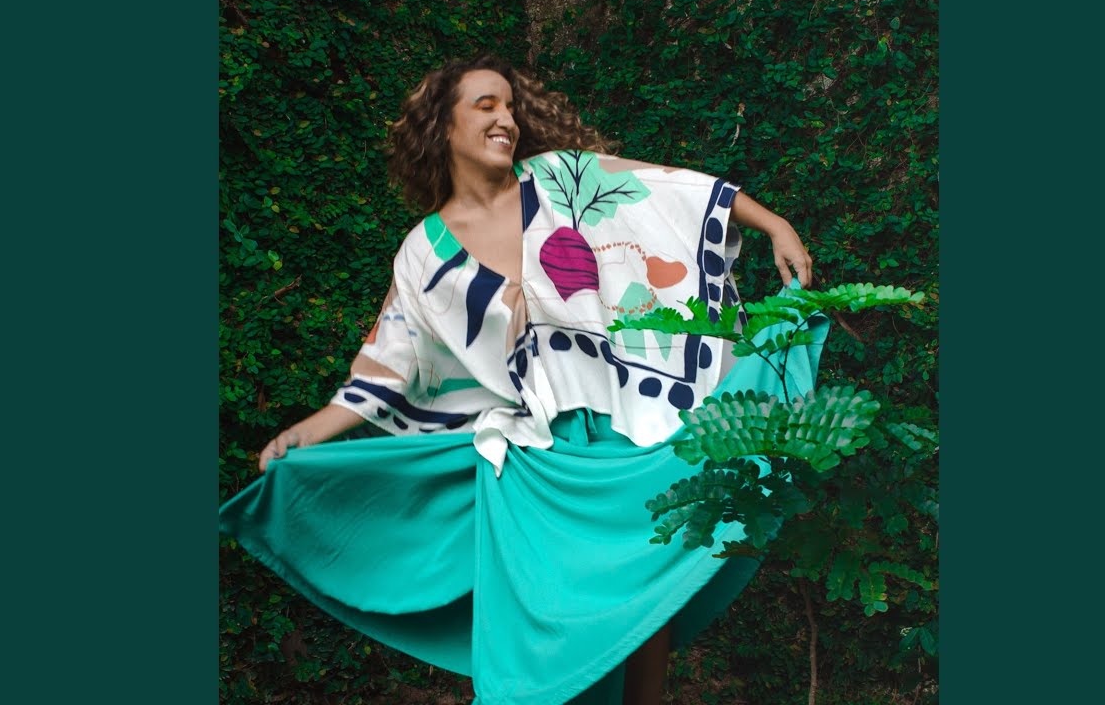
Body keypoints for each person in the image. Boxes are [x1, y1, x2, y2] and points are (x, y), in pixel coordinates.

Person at [220, 54, 825, 705]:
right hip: (534, 460)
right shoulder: (423, 254)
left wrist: (773, 223)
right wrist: (307, 433)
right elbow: (387, 370)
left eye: (509, 106)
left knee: (647, 592)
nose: (505, 118)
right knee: (538, 646)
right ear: (442, 126)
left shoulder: (563, 180)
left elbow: (672, 190)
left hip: (626, 433)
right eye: (485, 106)